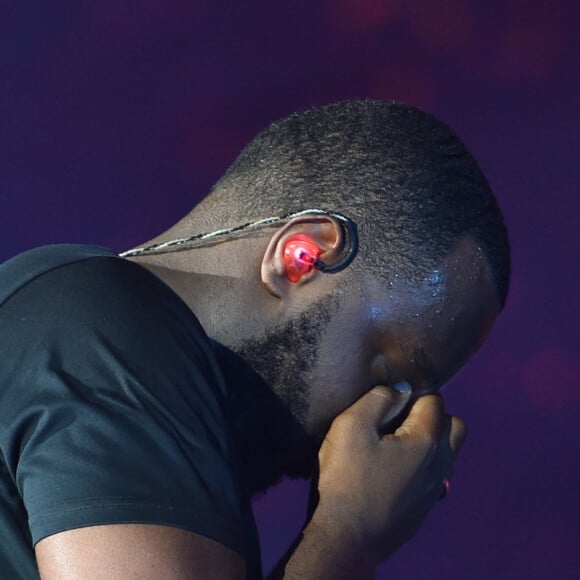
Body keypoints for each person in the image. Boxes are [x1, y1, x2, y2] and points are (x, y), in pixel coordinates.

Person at [0, 99, 510, 579]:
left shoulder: (101, 327)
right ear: (302, 257)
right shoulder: (111, 338)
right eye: (392, 374)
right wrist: (347, 535)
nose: (388, 419)